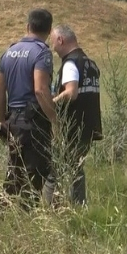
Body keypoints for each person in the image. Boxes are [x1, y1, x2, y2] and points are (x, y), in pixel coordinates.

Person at [0, 8, 58, 207]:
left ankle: (3, 212)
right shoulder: (42, 53)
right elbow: (40, 90)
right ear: (49, 30)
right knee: (35, 172)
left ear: (28, 26)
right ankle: (25, 213)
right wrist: (54, 120)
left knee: (14, 169)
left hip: (13, 119)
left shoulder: (9, 52)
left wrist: (2, 121)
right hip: (34, 121)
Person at [47, 24, 102, 206]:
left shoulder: (70, 64)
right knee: (76, 168)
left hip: (72, 128)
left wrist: (50, 103)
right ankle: (78, 206)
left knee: (56, 170)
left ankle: (56, 209)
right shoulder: (90, 64)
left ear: (60, 40)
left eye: (53, 42)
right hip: (88, 126)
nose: (53, 48)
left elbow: (71, 93)